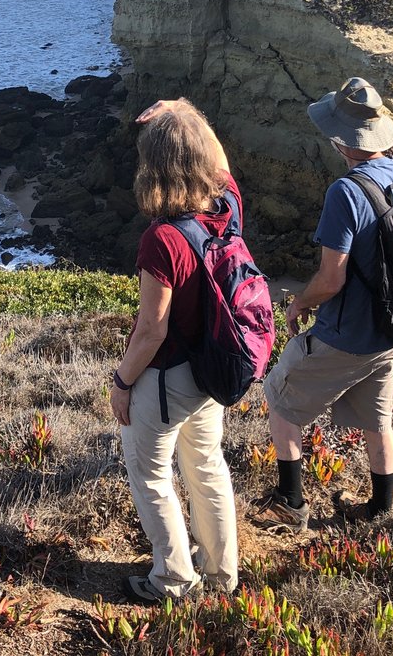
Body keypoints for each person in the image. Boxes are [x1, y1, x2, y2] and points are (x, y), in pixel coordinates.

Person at [251, 77, 393, 531]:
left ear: (338, 138)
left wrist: (298, 304)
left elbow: (331, 278)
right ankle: (383, 511)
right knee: (378, 420)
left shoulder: (344, 193)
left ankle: (291, 503)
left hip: (346, 335)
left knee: (281, 400)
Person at [110, 98, 240, 604]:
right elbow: (222, 166)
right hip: (210, 370)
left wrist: (122, 382)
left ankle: (173, 580)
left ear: (153, 165)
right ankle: (220, 574)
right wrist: (189, 114)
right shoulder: (226, 209)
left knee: (150, 474)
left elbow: (150, 331)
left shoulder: (161, 240)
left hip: (166, 381)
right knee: (206, 466)